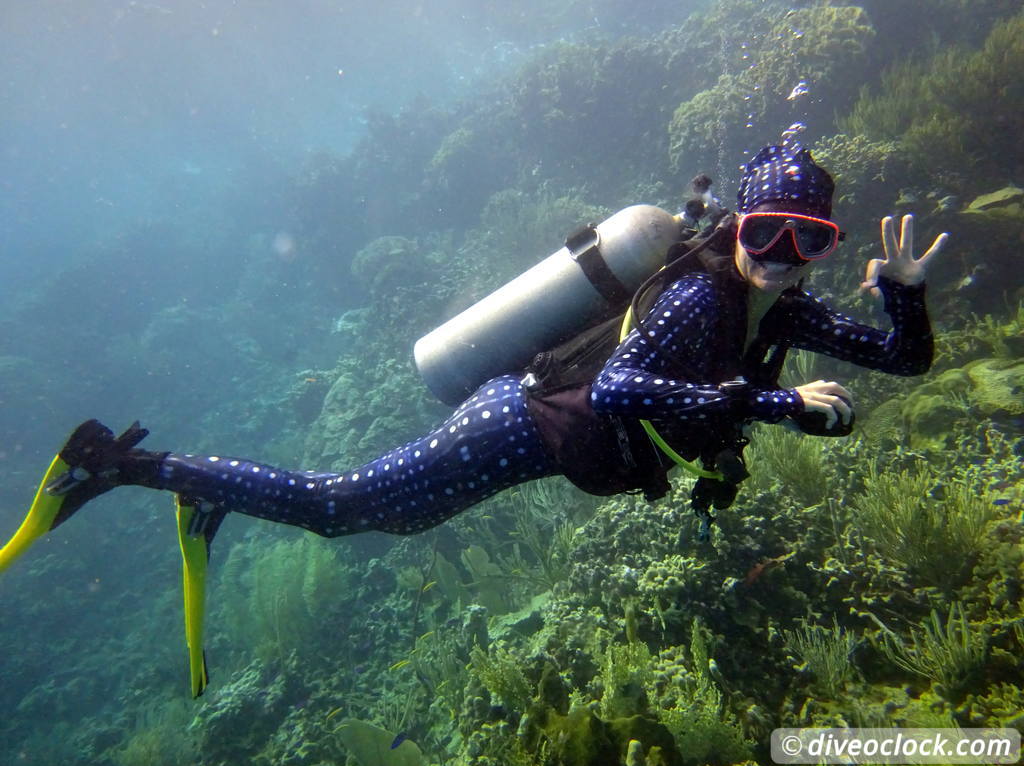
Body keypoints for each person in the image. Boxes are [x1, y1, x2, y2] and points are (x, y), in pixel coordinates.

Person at [0, 143, 946, 593]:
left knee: (384, 518)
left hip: (547, 438)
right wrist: (774, 401)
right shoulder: (703, 296)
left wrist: (903, 292)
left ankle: (201, 491)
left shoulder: (792, 304)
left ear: (826, 244)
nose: (781, 252)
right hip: (517, 423)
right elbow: (616, 388)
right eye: (766, 229)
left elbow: (903, 357)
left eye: (808, 238)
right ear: (738, 223)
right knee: (343, 508)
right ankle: (128, 469)